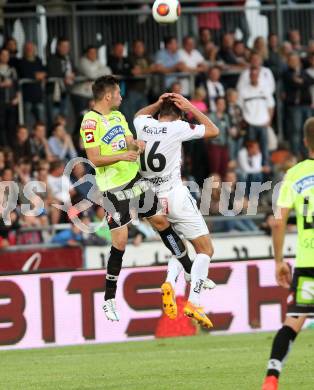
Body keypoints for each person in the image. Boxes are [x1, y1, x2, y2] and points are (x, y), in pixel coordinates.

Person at [80, 75, 201, 322]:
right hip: (112, 188)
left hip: (134, 180)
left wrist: (136, 145)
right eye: (117, 93)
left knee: (161, 222)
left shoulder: (118, 116)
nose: (121, 97)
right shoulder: (89, 123)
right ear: (107, 96)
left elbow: (127, 141)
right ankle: (109, 299)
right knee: (121, 241)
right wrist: (123, 156)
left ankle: (189, 270)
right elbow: (93, 158)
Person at [134, 93, 219, 328]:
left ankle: (170, 281)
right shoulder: (179, 127)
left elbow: (139, 114)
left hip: (151, 199)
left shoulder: (144, 124)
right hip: (175, 195)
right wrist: (191, 107)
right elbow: (213, 130)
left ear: (159, 113)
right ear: (179, 114)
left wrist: (157, 103)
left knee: (178, 243)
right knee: (205, 249)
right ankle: (194, 300)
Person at [261, 117, 314, 390]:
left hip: (307, 263)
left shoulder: (293, 175)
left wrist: (279, 261)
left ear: (305, 142)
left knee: (293, 322)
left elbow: (278, 221)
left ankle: (272, 375)